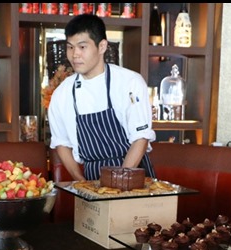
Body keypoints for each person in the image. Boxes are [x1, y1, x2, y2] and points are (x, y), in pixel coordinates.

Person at [48, 14, 156, 181]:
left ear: (102, 46)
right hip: (91, 177)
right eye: (70, 47)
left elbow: (140, 139)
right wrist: (81, 181)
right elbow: (61, 142)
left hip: (133, 175)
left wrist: (119, 180)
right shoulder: (62, 93)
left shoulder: (130, 82)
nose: (75, 54)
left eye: (82, 47)